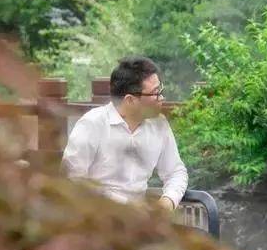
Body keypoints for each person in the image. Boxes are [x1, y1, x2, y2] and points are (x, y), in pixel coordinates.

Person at [62, 56, 187, 211]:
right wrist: (124, 207)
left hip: (141, 219)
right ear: (130, 100)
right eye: (155, 93)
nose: (161, 98)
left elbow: (176, 172)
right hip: (96, 216)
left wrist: (167, 202)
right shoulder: (92, 124)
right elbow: (72, 180)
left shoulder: (159, 125)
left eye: (161, 90)